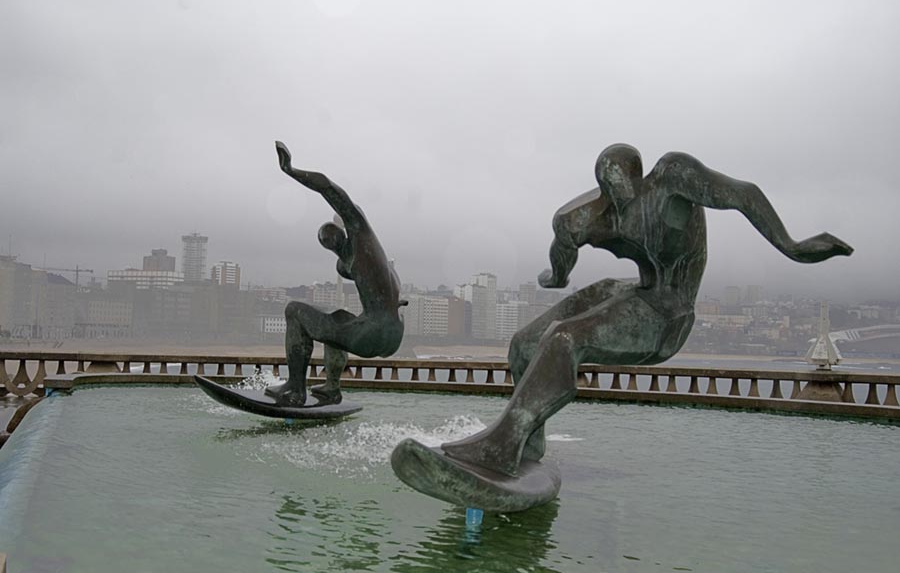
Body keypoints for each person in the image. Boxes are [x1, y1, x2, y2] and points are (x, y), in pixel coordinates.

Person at [440, 144, 852, 476]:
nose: (615, 198)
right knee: (523, 344)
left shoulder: (673, 179)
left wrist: (792, 247)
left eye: (620, 187)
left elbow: (742, 195)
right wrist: (557, 275)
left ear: (637, 179)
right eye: (607, 188)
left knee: (565, 339)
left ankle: (502, 443)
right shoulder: (588, 216)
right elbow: (563, 244)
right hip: (631, 292)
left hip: (668, 314)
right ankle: (529, 441)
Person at [265, 141, 406, 407]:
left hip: (372, 334)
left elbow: (329, 187)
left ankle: (296, 389)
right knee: (337, 320)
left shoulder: (359, 229)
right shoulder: (378, 260)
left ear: (342, 233)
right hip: (392, 334)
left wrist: (291, 170)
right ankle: (331, 387)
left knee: (294, 310)